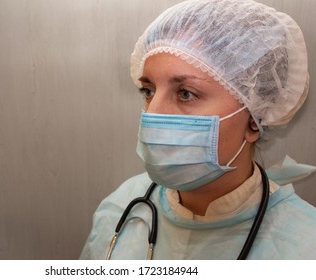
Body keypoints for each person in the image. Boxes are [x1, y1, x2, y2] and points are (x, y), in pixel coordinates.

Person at [80, 0, 316, 259]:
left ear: (255, 118)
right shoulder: (120, 206)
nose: (152, 114)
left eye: (185, 93)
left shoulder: (304, 247)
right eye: (148, 91)